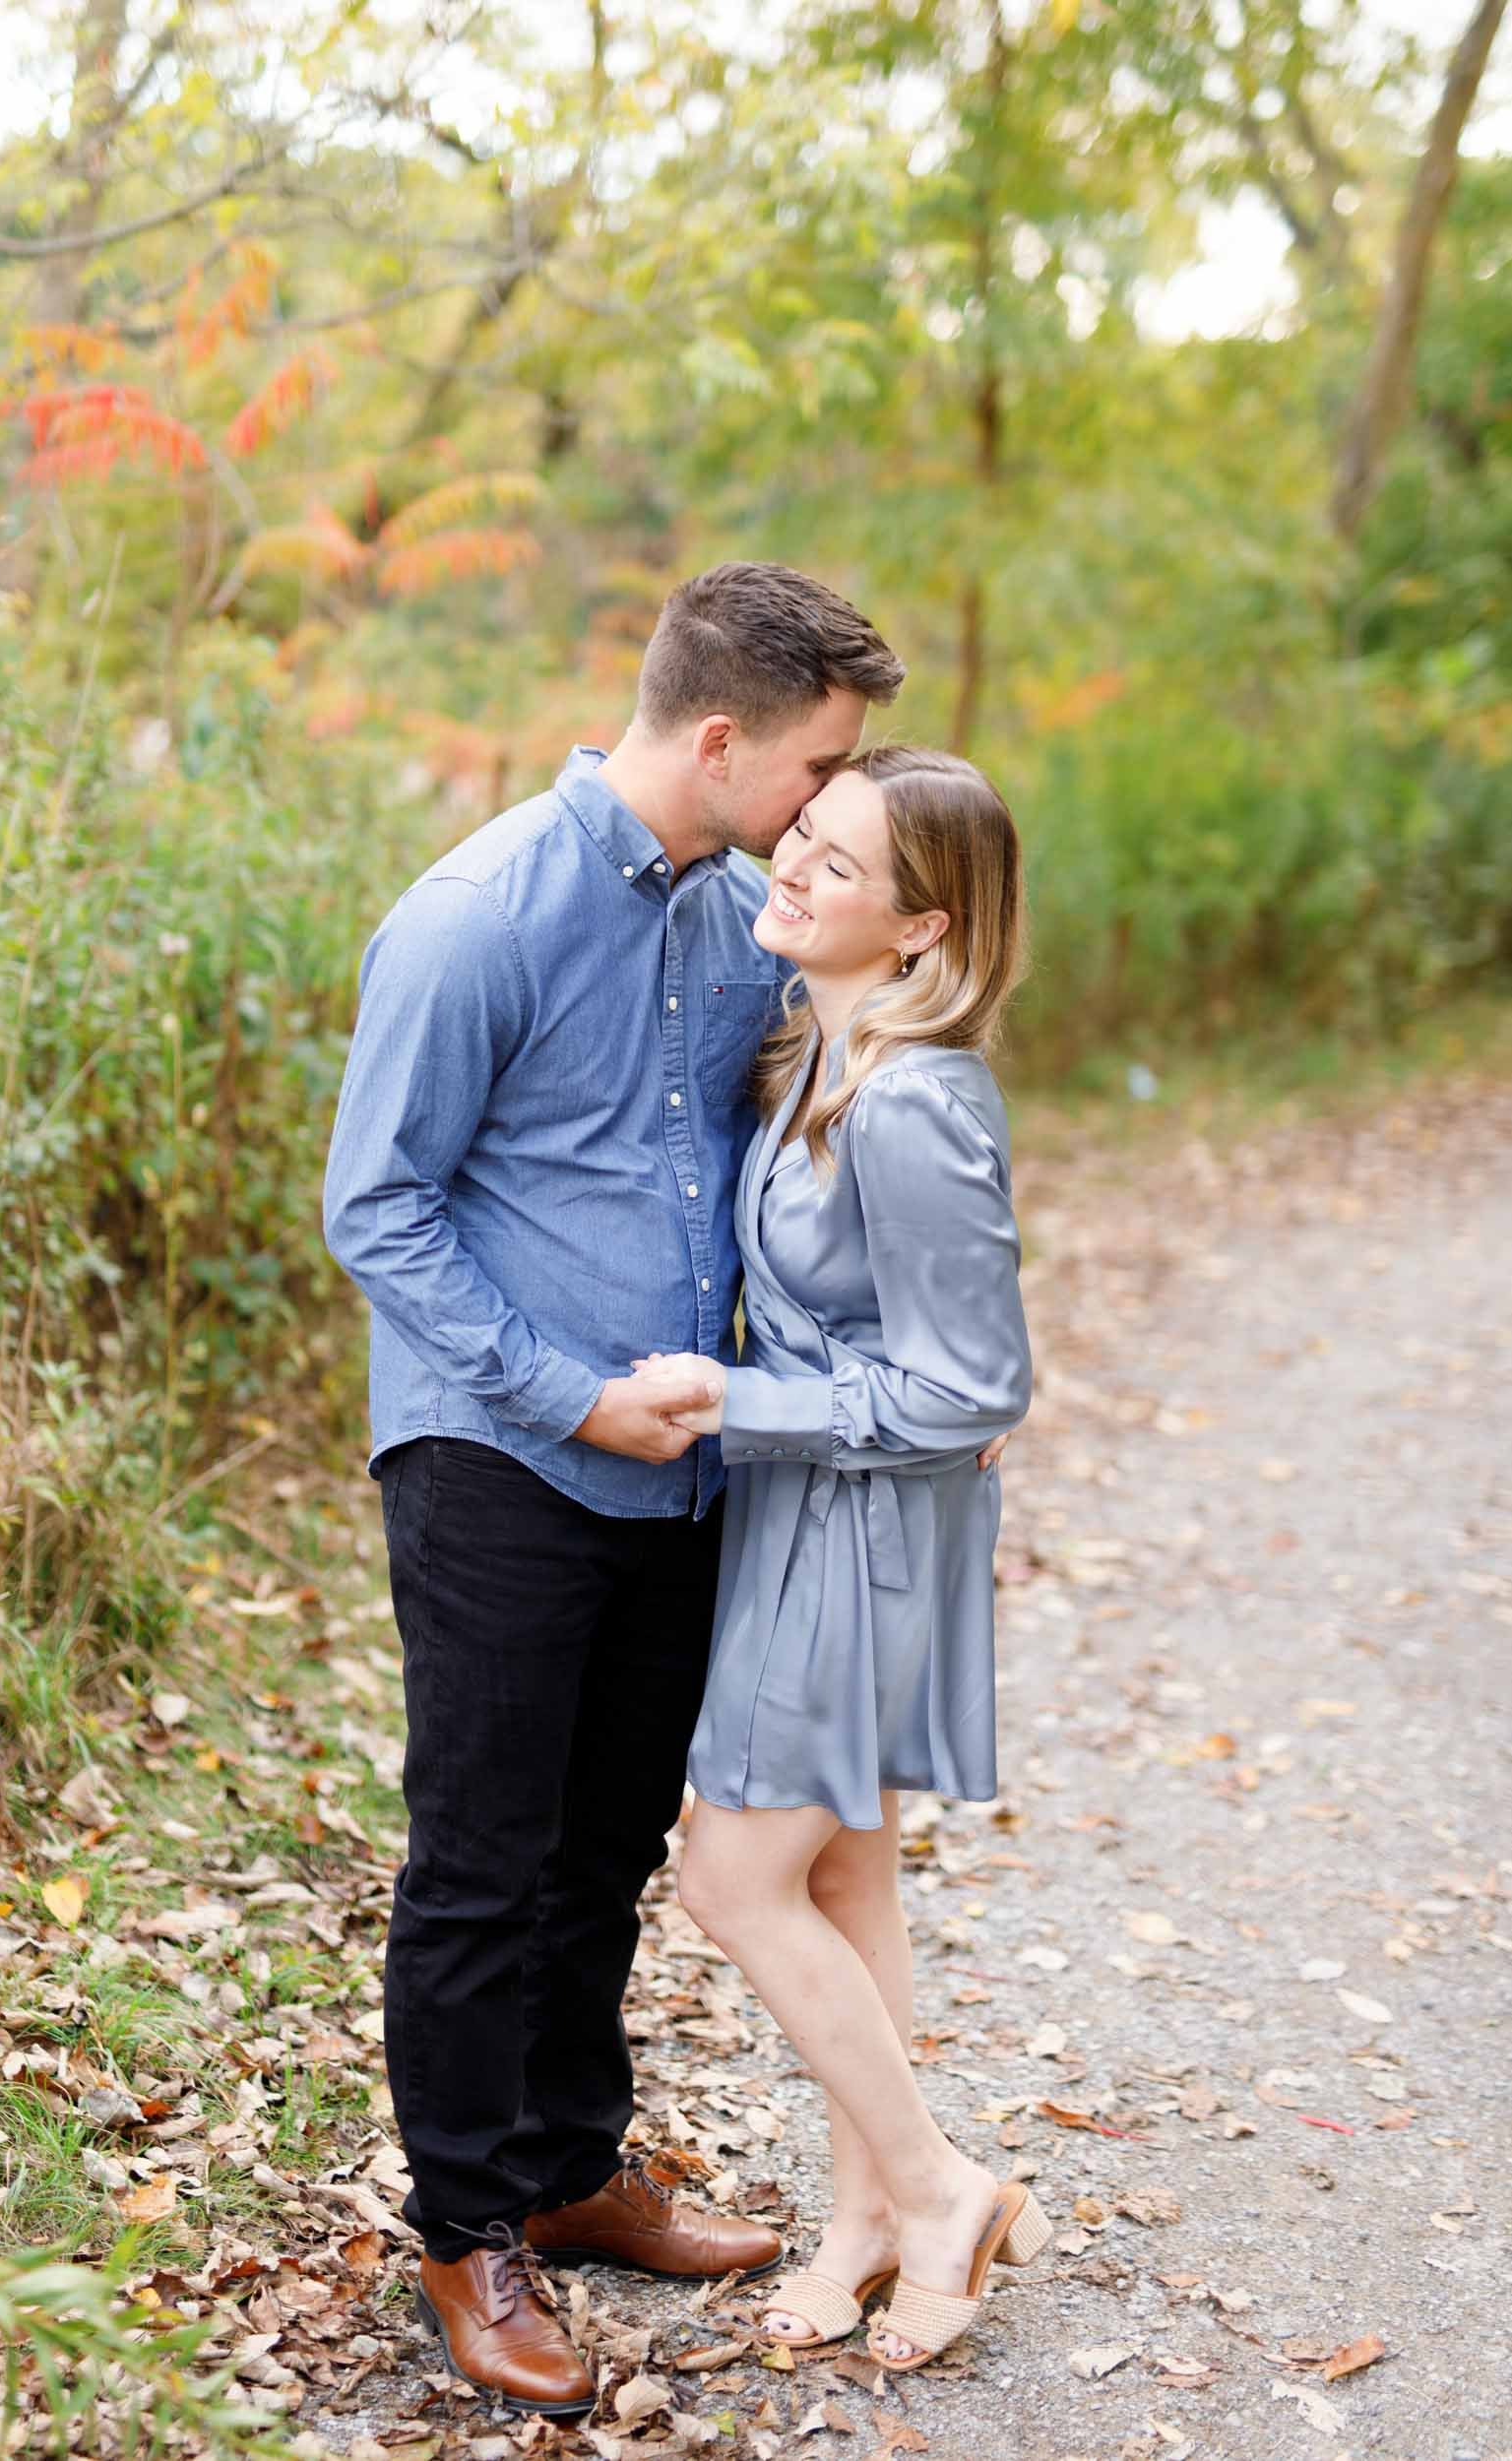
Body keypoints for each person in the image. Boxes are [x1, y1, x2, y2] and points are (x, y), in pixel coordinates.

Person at [321, 563, 906, 2417]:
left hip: (684, 1473)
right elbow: (378, 1209)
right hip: (497, 1451)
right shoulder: (479, 910)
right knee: (484, 1861)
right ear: (721, 738)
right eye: (820, 761)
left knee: (604, 1849)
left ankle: (572, 2167)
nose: (831, 797)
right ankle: (466, 2226)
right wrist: (569, 1398)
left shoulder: (747, 914)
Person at [629, 744, 1046, 2377]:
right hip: (813, 1509)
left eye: (835, 866)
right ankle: (864, 2217)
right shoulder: (826, 1041)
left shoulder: (915, 1098)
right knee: (842, 1871)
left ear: (924, 929)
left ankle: (940, 2192)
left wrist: (743, 1398)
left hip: (864, 1532)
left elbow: (973, 1384)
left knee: (733, 1876)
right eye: (796, 837)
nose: (789, 873)